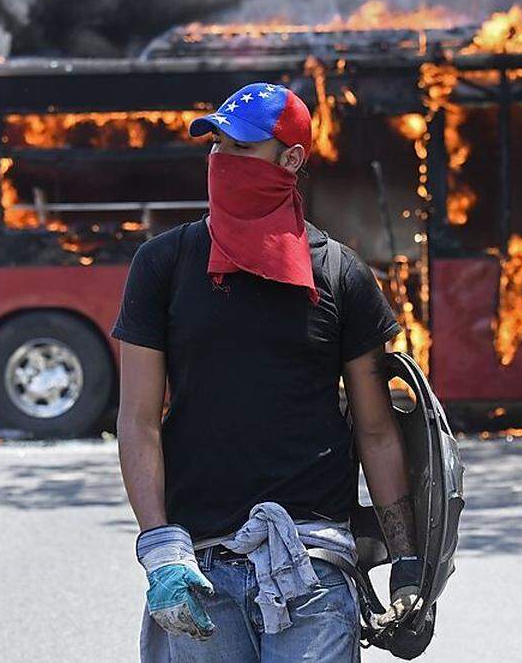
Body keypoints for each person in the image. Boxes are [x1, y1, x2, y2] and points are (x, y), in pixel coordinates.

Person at [112, 82, 422, 662]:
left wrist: (406, 562)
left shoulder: (340, 275)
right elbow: (138, 421)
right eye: (216, 146)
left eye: (242, 148)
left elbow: (376, 430)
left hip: (314, 569)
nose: (223, 161)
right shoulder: (163, 265)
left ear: (291, 159)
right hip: (197, 566)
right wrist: (160, 549)